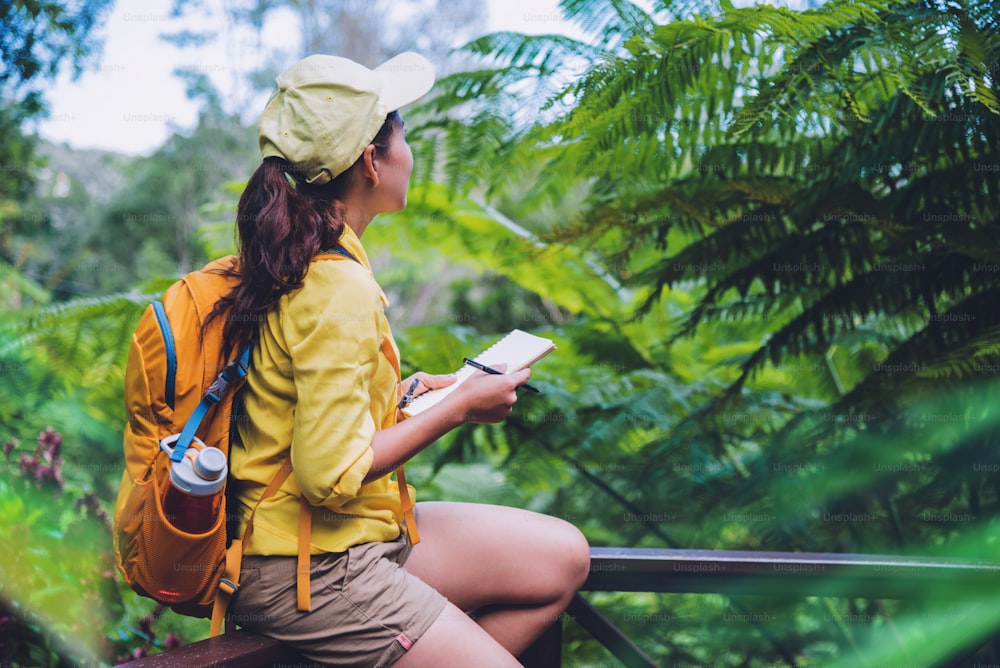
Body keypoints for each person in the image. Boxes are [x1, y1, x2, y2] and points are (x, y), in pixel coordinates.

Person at [214, 52, 591, 667]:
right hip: (309, 570)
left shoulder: (310, 261)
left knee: (562, 557)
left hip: (356, 536)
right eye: (403, 134)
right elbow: (327, 477)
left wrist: (406, 399)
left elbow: (301, 412)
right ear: (370, 159)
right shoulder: (336, 286)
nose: (409, 151)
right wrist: (457, 410)